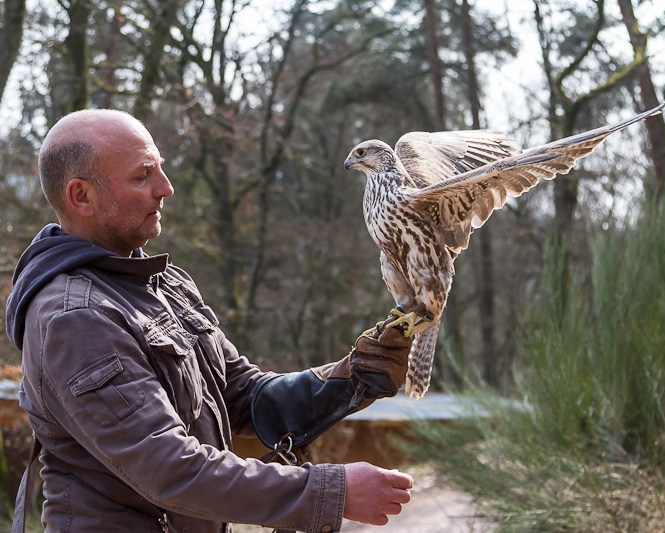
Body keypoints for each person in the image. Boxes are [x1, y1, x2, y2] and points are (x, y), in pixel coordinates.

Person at [5, 109, 415, 532]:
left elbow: (244, 397)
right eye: (142, 175)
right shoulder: (77, 319)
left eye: (160, 168)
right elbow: (169, 468)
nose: (166, 188)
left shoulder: (162, 283)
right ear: (81, 197)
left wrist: (354, 376)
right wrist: (332, 491)